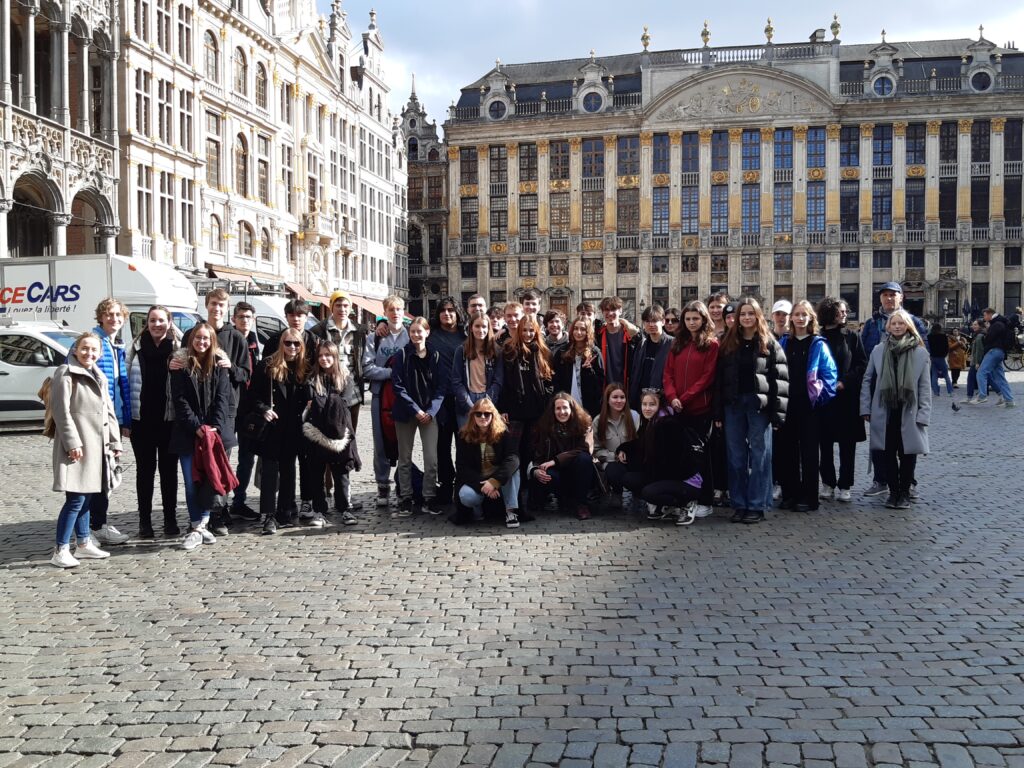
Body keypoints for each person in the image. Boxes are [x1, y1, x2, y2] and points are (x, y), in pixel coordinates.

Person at [176, 288, 250, 534]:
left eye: (221, 305)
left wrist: (232, 368)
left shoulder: (236, 337)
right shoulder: (192, 334)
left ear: (227, 308)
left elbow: (246, 374)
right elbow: (181, 364)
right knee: (198, 468)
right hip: (196, 415)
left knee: (219, 464)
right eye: (213, 304)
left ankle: (218, 513)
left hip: (224, 413)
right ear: (206, 305)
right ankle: (201, 516)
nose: (217, 308)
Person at [49, 332, 122, 568]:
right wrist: (72, 443)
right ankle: (60, 549)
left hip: (97, 447)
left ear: (99, 354)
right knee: (76, 498)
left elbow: (108, 412)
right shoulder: (65, 373)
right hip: (78, 447)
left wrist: (115, 442)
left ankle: (83, 544)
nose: (89, 353)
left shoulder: (99, 375)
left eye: (93, 350)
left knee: (88, 496)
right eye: (84, 348)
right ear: (75, 349)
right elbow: (61, 412)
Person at [714, 297, 789, 524]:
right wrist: (717, 412)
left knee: (760, 457)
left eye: (750, 313)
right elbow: (718, 380)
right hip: (733, 405)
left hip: (759, 407)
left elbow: (780, 380)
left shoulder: (769, 342)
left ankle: (757, 504)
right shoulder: (727, 342)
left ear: (757, 316)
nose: (746, 317)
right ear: (737, 318)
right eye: (743, 314)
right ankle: (739, 503)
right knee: (736, 457)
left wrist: (778, 414)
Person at [859, 282, 929, 497]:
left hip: (907, 392)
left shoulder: (914, 322)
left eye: (893, 295)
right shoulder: (872, 324)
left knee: (907, 441)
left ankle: (908, 482)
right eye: (885, 295)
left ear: (901, 297)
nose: (889, 298)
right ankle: (881, 480)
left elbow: (923, 358)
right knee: (882, 442)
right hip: (881, 389)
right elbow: (864, 355)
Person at [169, 323, 234, 550]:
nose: (202, 342)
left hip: (212, 434)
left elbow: (223, 398)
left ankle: (201, 526)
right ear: (191, 340)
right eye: (198, 338)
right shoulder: (179, 364)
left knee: (209, 479)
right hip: (188, 433)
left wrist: (213, 428)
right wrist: (196, 427)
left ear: (212, 341)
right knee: (191, 482)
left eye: (206, 338)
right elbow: (180, 401)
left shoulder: (220, 364)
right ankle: (197, 525)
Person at [78, 298, 131, 546]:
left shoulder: (115, 344)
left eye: (118, 315)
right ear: (100, 317)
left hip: (112, 421)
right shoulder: (91, 343)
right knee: (91, 478)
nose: (114, 318)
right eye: (109, 314)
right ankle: (85, 531)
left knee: (105, 478)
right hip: (94, 421)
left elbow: (120, 387)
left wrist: (125, 419)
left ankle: (98, 525)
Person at [248, 327, 311, 533]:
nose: (292, 347)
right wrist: (263, 409)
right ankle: (268, 515)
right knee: (270, 471)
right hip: (273, 426)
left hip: (294, 427)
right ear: (281, 343)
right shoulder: (267, 365)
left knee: (289, 470)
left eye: (296, 343)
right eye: (288, 342)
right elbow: (252, 396)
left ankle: (285, 511)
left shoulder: (304, 367)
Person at [126, 305, 182, 538]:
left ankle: (170, 519)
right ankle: (144, 521)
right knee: (144, 472)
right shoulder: (135, 348)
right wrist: (125, 419)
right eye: (152, 320)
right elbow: (124, 382)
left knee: (169, 472)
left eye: (161, 320)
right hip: (142, 421)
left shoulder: (178, 348)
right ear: (146, 324)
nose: (157, 324)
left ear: (169, 323)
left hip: (169, 421)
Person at [777, 301, 837, 512]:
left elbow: (829, 375)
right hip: (787, 405)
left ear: (811, 318)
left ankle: (809, 497)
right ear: (791, 318)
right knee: (787, 452)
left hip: (810, 407)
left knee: (810, 453)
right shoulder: (784, 342)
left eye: (804, 315)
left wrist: (819, 399)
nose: (800, 318)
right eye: (797, 314)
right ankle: (790, 493)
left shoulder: (818, 343)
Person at [662, 300, 720, 518]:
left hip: (699, 408)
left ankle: (706, 499)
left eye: (695, 318)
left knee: (700, 456)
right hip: (678, 408)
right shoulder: (677, 343)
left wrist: (684, 398)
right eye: (688, 319)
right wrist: (672, 397)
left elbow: (707, 377)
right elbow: (667, 373)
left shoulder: (711, 345)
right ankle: (683, 498)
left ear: (704, 320)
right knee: (680, 455)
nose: (692, 322)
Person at [391, 316, 446, 516]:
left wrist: (430, 411)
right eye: (412, 331)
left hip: (429, 414)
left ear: (427, 332)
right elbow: (398, 386)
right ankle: (406, 498)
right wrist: (416, 410)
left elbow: (441, 387)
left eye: (419, 331)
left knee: (431, 459)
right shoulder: (402, 355)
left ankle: (429, 497)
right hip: (406, 412)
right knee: (404, 457)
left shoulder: (435, 356)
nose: (416, 335)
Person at [303, 340, 361, 526]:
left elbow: (343, 404)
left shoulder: (345, 378)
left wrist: (320, 403)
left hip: (339, 432)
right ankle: (319, 511)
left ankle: (345, 508)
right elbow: (310, 403)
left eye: (328, 355)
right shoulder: (312, 379)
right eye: (320, 355)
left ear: (335, 357)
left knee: (341, 472)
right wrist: (325, 403)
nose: (324, 359)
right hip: (316, 431)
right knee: (316, 473)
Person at [498, 317, 554, 508]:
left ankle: (534, 494)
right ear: (519, 331)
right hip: (515, 411)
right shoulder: (509, 350)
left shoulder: (543, 351)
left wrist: (545, 398)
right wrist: (503, 408)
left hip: (537, 411)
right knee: (514, 453)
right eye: (524, 330)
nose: (528, 334)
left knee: (534, 451)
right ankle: (516, 495)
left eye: (531, 331)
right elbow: (504, 382)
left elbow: (549, 380)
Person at [816, 297, 867, 503]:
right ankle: (827, 483)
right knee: (825, 443)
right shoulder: (818, 337)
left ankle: (846, 484)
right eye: (841, 311)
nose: (845, 314)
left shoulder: (852, 336)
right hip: (823, 398)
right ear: (830, 313)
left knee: (847, 444)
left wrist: (845, 382)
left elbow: (862, 364)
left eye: (846, 311)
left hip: (846, 398)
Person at [362, 295, 410, 507]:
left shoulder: (411, 335)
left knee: (404, 442)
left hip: (404, 397)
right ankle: (383, 485)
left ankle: (403, 485)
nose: (395, 313)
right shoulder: (375, 338)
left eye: (398, 309)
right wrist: (392, 373)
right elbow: (367, 368)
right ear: (385, 312)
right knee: (380, 442)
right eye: (391, 310)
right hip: (380, 395)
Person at [604, 389, 674, 519]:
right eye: (644, 404)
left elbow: (663, 460)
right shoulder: (648, 421)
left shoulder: (666, 424)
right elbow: (640, 444)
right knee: (615, 469)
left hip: (667, 476)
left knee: (633, 480)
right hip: (650, 469)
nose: (647, 408)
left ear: (659, 406)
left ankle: (673, 503)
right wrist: (622, 449)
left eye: (652, 405)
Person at [454, 397, 521, 529]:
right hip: (477, 480)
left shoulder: (503, 433)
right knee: (466, 495)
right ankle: (478, 507)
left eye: (487, 414)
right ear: (473, 416)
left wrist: (494, 481)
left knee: (514, 472)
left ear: (493, 415)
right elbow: (461, 467)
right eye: (478, 414)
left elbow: (513, 458)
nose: (483, 417)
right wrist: (484, 485)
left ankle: (511, 512)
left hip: (498, 479)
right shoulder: (463, 435)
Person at [427, 297, 467, 506]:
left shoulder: (466, 335)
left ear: (458, 313)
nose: (447, 314)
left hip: (462, 397)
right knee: (441, 445)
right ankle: (445, 483)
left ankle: (462, 483)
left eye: (451, 310)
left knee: (463, 444)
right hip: (439, 399)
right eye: (443, 310)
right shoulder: (431, 335)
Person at [529, 393, 596, 520]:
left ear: (572, 409)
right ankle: (563, 498)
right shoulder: (544, 427)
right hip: (557, 473)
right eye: (558, 408)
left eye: (565, 408)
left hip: (579, 471)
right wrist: (535, 470)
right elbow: (538, 454)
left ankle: (582, 504)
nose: (562, 412)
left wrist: (556, 460)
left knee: (584, 458)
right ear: (553, 411)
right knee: (546, 475)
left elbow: (585, 449)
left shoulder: (584, 424)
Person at [230, 301, 261, 521]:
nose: (245, 321)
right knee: (223, 457)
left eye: (248, 317)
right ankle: (219, 505)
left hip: (249, 409)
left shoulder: (254, 342)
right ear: (234, 319)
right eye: (241, 317)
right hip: (230, 407)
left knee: (247, 458)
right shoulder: (229, 340)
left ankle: (238, 501)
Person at [452, 313, 504, 429]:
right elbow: (456, 381)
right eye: (477, 326)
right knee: (467, 438)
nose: (481, 330)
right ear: (471, 328)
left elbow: (498, 380)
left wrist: (486, 402)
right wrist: (468, 404)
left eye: (484, 326)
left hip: (488, 398)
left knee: (488, 438)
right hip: (466, 399)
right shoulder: (461, 351)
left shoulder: (496, 352)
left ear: (489, 328)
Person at [592, 383, 639, 503]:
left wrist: (629, 452)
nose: (619, 400)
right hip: (612, 461)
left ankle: (638, 491)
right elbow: (595, 450)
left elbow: (640, 441)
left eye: (622, 397)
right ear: (607, 400)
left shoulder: (634, 416)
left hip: (632, 460)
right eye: (615, 397)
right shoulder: (598, 420)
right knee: (613, 471)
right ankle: (617, 492)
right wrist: (614, 456)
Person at [552, 316, 605, 417]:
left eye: (583, 329)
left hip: (588, 407)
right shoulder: (562, 352)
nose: (578, 332)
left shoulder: (595, 353)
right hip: (566, 405)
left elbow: (599, 383)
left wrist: (589, 370)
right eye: (576, 328)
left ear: (588, 332)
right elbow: (555, 379)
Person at [628, 305, 672, 410]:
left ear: (663, 322)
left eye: (655, 321)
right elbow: (635, 372)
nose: (651, 324)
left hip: (662, 400)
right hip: (641, 400)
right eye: (647, 321)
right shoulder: (642, 344)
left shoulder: (672, 344)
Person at [974, 307, 1016, 407]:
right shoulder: (1001, 322)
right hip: (1000, 352)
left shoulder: (996, 324)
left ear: (989, 314)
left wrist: (987, 332)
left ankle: (982, 396)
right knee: (1000, 377)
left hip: (993, 351)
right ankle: (1009, 400)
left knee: (981, 372)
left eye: (985, 315)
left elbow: (989, 339)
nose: (984, 318)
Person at [596, 296, 634, 390]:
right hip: (604, 387)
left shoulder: (630, 335)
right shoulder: (598, 335)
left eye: (613, 309)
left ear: (620, 311)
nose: (610, 313)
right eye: (606, 310)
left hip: (626, 386)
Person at [927, 324, 953, 397]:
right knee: (946, 375)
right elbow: (946, 347)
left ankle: (936, 392)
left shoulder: (929, 336)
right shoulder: (943, 336)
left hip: (933, 357)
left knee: (934, 375)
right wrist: (944, 355)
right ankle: (950, 391)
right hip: (941, 357)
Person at [964, 320, 987, 402]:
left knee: (971, 378)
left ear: (980, 326)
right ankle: (1001, 395)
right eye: (973, 325)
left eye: (975, 325)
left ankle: (970, 397)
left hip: (977, 361)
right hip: (978, 360)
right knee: (988, 378)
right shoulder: (978, 335)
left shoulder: (979, 336)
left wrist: (977, 362)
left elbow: (979, 350)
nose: (973, 326)